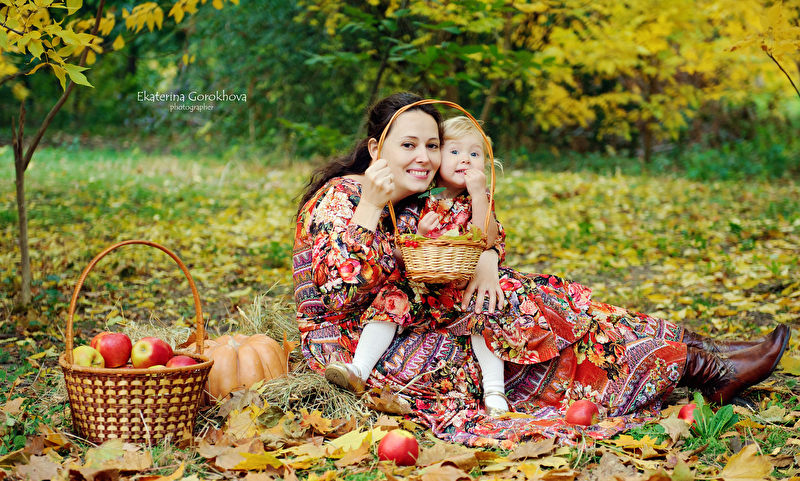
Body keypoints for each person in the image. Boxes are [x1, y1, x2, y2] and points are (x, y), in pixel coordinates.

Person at [293, 92, 790, 448]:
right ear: (375, 150)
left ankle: (704, 355)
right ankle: (696, 364)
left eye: (432, 145)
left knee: (525, 293)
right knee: (518, 305)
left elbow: (469, 238)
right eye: (408, 145)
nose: (423, 157)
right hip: (360, 346)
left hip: (419, 316)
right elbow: (340, 295)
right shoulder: (345, 197)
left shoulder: (418, 201)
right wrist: (369, 209)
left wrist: (487, 258)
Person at [325, 116, 511, 415]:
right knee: (391, 299)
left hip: (461, 289)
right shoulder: (419, 199)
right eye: (455, 152)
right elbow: (400, 246)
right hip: (421, 287)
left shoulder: (477, 200)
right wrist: (421, 235)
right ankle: (359, 368)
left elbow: (487, 238)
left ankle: (494, 391)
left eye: (475, 154)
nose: (465, 160)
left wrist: (479, 195)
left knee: (485, 308)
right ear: (438, 160)